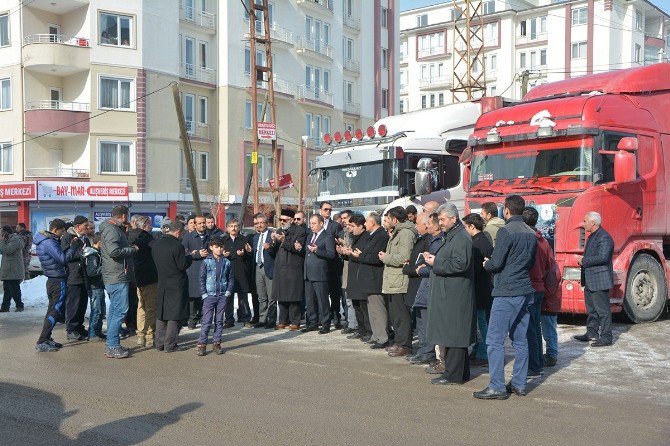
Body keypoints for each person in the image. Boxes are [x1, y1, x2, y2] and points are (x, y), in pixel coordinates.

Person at [474, 195, 537, 400]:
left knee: (494, 339)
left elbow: (496, 263)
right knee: (520, 339)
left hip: (507, 291)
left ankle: (497, 386)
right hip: (525, 289)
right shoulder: (530, 232)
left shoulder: (505, 231)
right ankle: (519, 384)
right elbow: (531, 262)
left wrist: (486, 264)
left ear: (506, 210)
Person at [424, 203, 476, 385]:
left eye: (443, 220)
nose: (441, 223)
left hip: (455, 293)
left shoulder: (461, 238)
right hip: (452, 292)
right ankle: (458, 373)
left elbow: (460, 264)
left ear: (454, 219)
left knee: (454, 335)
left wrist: (435, 262)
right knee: (452, 334)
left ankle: (453, 375)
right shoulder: (453, 236)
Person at [34, 219, 82, 352]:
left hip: (54, 279)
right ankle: (42, 340)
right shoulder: (48, 242)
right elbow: (62, 258)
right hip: (57, 280)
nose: (62, 234)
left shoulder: (46, 240)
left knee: (53, 310)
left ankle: (46, 337)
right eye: (62, 231)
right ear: (55, 229)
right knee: (55, 310)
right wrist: (73, 247)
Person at [99, 205, 139, 359]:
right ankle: (113, 346)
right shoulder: (112, 230)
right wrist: (132, 249)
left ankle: (112, 344)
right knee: (120, 311)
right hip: (116, 276)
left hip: (116, 275)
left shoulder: (114, 229)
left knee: (116, 312)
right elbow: (114, 252)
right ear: (123, 216)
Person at [379, 206, 417, 357]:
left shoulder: (406, 234)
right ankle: (400, 341)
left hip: (400, 280)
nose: (386, 221)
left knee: (402, 315)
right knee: (396, 314)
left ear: (395, 219)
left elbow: (405, 257)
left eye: (388, 218)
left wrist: (385, 258)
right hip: (393, 279)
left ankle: (405, 345)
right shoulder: (398, 233)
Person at [574, 211, 614, 347]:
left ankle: (606, 337)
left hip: (599, 280)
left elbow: (603, 258)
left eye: (585, 221)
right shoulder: (592, 236)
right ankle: (591, 333)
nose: (583, 224)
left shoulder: (604, 237)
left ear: (593, 223)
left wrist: (583, 260)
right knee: (591, 310)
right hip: (591, 279)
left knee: (603, 311)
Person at [153, 220, 193, 352]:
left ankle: (159, 343)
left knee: (162, 313)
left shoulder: (156, 244)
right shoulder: (178, 246)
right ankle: (170, 345)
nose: (182, 236)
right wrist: (189, 257)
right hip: (176, 283)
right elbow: (182, 265)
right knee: (174, 314)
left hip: (162, 281)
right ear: (178, 232)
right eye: (181, 234)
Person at [405, 212, 439, 365]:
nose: (424, 226)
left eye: (426, 223)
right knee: (421, 320)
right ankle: (422, 350)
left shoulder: (437, 241)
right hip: (422, 286)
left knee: (426, 322)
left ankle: (427, 352)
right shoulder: (428, 240)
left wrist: (420, 269)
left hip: (429, 285)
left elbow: (434, 265)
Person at [522, 207, 553, 377]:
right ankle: (538, 363)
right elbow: (549, 265)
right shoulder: (544, 241)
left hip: (530, 287)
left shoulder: (529, 240)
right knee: (535, 326)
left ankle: (533, 366)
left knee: (529, 329)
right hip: (539, 286)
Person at [462, 213, 494, 367]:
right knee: (480, 321)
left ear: (472, 226)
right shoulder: (484, 240)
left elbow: (474, 269)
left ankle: (483, 353)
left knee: (480, 322)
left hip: (479, 288)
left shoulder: (476, 243)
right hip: (484, 287)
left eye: (465, 226)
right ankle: (478, 349)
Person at [197, 237, 234, 356]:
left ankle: (216, 343)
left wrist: (228, 292)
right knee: (207, 320)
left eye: (221, 247)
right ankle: (202, 344)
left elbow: (231, 278)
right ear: (211, 248)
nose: (219, 249)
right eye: (216, 247)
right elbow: (201, 279)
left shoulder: (227, 262)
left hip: (222, 296)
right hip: (209, 296)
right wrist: (204, 294)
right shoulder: (206, 261)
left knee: (219, 321)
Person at [357, 212, 389, 348]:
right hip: (369, 279)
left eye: (366, 222)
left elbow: (375, 258)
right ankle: (376, 335)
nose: (364, 224)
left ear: (373, 223)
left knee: (378, 309)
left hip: (375, 279)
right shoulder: (373, 236)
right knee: (372, 309)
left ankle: (383, 337)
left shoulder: (381, 236)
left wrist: (360, 255)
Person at [272, 209, 306, 330]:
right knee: (281, 296)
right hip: (280, 267)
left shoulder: (300, 231)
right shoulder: (279, 230)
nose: (282, 222)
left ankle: (295, 321)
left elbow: (297, 249)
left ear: (291, 220)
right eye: (280, 220)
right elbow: (274, 250)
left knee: (293, 297)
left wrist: (283, 240)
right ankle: (282, 320)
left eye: (284, 220)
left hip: (293, 268)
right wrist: (272, 243)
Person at [302, 214, 336, 334]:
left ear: (321, 223)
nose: (311, 226)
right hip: (308, 273)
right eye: (310, 223)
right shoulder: (310, 236)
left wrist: (317, 250)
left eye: (314, 223)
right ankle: (312, 323)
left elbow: (331, 254)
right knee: (310, 301)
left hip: (320, 273)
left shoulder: (328, 236)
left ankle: (325, 323)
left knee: (322, 301)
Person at [128, 215, 159, 347]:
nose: (151, 226)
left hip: (137, 277)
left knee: (141, 307)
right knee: (151, 308)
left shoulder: (130, 237)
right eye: (150, 224)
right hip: (149, 278)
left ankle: (141, 335)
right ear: (145, 225)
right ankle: (149, 336)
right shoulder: (147, 239)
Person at [60, 215, 91, 341]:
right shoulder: (67, 237)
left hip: (84, 274)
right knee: (74, 303)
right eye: (85, 225)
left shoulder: (84, 238)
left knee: (83, 303)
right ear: (77, 226)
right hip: (73, 275)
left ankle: (79, 327)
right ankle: (71, 329)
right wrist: (82, 254)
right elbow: (65, 256)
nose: (87, 228)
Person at [222, 218, 252, 328]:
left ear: (238, 227)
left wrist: (247, 253)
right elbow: (219, 255)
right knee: (228, 297)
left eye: (235, 226)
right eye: (231, 226)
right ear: (227, 228)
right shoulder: (223, 240)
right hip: (228, 272)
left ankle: (246, 318)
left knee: (243, 297)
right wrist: (224, 255)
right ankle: (229, 320)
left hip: (241, 271)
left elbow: (249, 256)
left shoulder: (244, 239)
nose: (233, 228)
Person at [343, 213, 369, 339]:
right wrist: (347, 253)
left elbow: (364, 256)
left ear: (361, 226)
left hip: (361, 277)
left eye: (353, 226)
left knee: (363, 306)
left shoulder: (366, 237)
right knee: (356, 305)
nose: (351, 229)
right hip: (353, 276)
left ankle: (368, 331)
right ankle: (361, 329)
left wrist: (354, 254)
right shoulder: (355, 237)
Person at [319, 201, 344, 329]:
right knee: (321, 293)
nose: (328, 211)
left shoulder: (335, 226)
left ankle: (336, 316)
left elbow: (341, 241)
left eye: (330, 209)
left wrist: (337, 242)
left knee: (334, 293)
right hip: (319, 264)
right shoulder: (315, 224)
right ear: (320, 211)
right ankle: (322, 317)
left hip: (333, 264)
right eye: (325, 209)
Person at [182, 215, 210, 329]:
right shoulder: (188, 237)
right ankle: (192, 320)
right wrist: (197, 254)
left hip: (207, 270)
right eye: (199, 223)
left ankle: (205, 319)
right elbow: (183, 252)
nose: (202, 225)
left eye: (204, 223)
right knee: (193, 297)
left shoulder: (209, 236)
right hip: (193, 269)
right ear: (195, 224)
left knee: (205, 296)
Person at [251, 213, 276, 329]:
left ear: (267, 223)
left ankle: (271, 319)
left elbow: (276, 253)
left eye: (262, 223)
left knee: (271, 297)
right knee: (261, 296)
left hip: (269, 267)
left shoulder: (272, 235)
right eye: (258, 223)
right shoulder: (256, 237)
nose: (259, 225)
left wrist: (269, 248)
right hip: (258, 267)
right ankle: (262, 319)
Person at [82, 233, 106, 341]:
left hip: (99, 285)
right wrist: (104, 268)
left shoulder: (97, 253)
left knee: (101, 311)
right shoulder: (93, 255)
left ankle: (98, 331)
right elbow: (91, 272)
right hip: (95, 286)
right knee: (96, 310)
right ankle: (92, 333)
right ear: (100, 243)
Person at [336, 210, 356, 334]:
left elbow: (355, 250)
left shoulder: (354, 233)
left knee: (352, 300)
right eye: (342, 218)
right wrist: (340, 250)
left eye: (345, 218)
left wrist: (346, 250)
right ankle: (351, 322)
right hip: (346, 268)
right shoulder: (344, 233)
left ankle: (354, 325)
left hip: (353, 269)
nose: (343, 221)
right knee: (347, 299)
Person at [0, 226, 26, 312]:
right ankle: (5, 307)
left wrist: (1, 241)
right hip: (8, 269)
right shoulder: (7, 239)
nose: (1, 234)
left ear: (6, 232)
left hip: (13, 269)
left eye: (2, 232)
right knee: (7, 289)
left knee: (14, 288)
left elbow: (8, 250)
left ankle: (19, 306)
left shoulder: (14, 239)